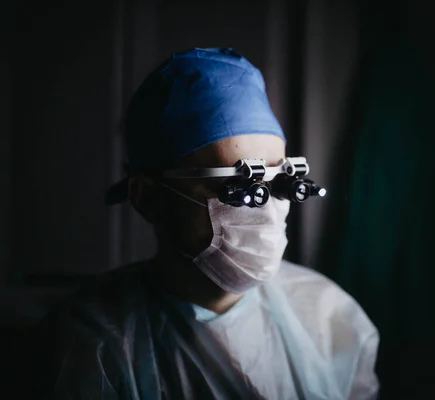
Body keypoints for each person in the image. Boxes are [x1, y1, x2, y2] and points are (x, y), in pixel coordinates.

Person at [36, 47, 379, 399]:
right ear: (149, 198)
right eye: (236, 187)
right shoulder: (92, 343)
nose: (266, 209)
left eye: (279, 181)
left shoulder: (330, 318)